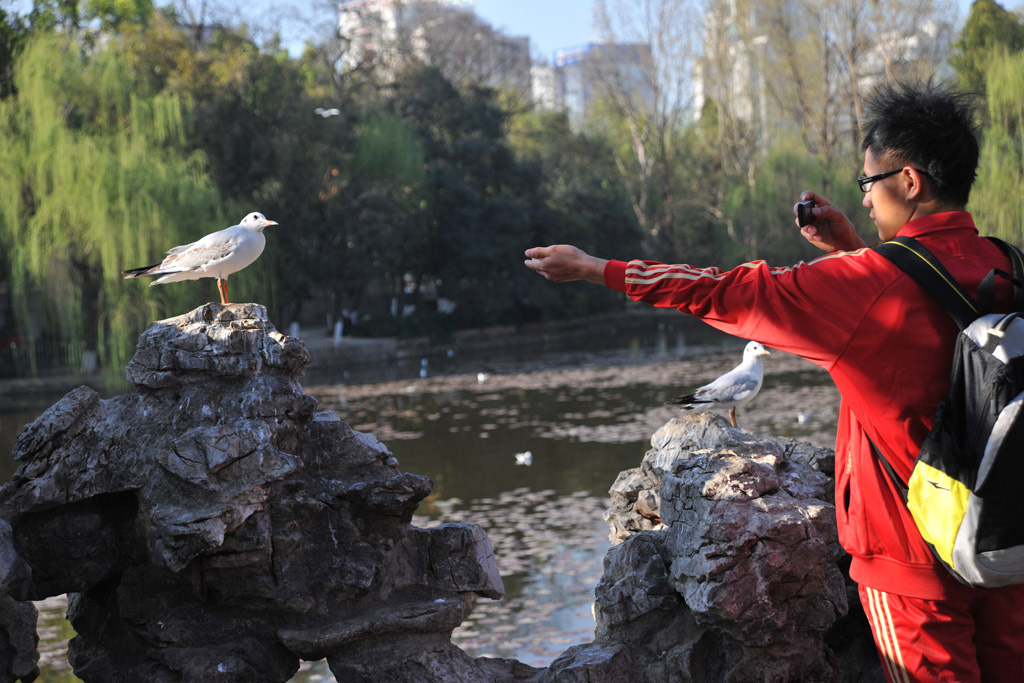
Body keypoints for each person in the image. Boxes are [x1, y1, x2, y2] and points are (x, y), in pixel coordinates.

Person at [523, 80, 1024, 683]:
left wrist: (598, 270)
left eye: (869, 183)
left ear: (909, 182)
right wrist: (853, 251)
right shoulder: (1010, 264)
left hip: (913, 564)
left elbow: (726, 290)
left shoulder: (867, 285)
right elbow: (926, 321)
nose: (863, 199)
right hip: (1008, 543)